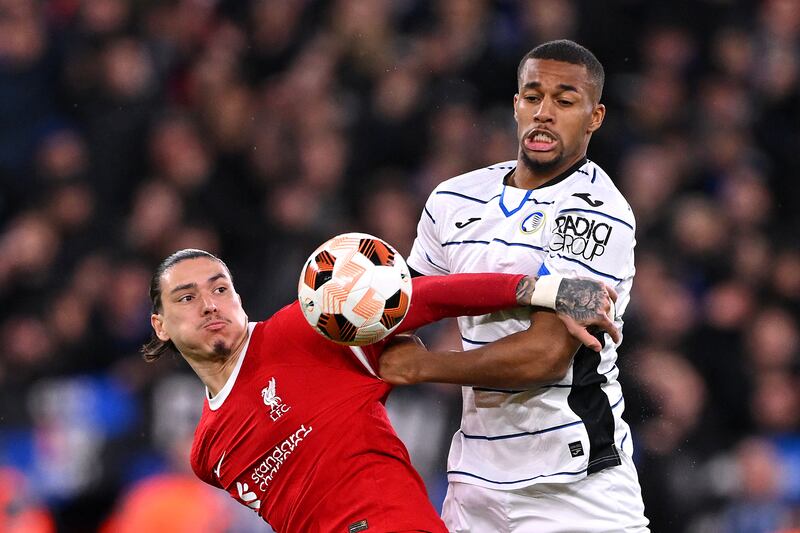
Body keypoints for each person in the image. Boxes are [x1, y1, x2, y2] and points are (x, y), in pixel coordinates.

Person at [142, 247, 619, 533]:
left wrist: (541, 291)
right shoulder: (208, 455)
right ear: (160, 325)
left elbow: (423, 298)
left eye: (220, 289)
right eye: (187, 297)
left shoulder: (304, 330)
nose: (210, 305)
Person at [389, 39, 649, 532]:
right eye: (533, 97)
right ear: (516, 105)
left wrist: (425, 367)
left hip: (573, 486)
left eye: (565, 101)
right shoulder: (453, 199)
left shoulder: (597, 211)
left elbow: (544, 355)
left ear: (594, 117)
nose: (544, 113)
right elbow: (408, 308)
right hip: (474, 483)